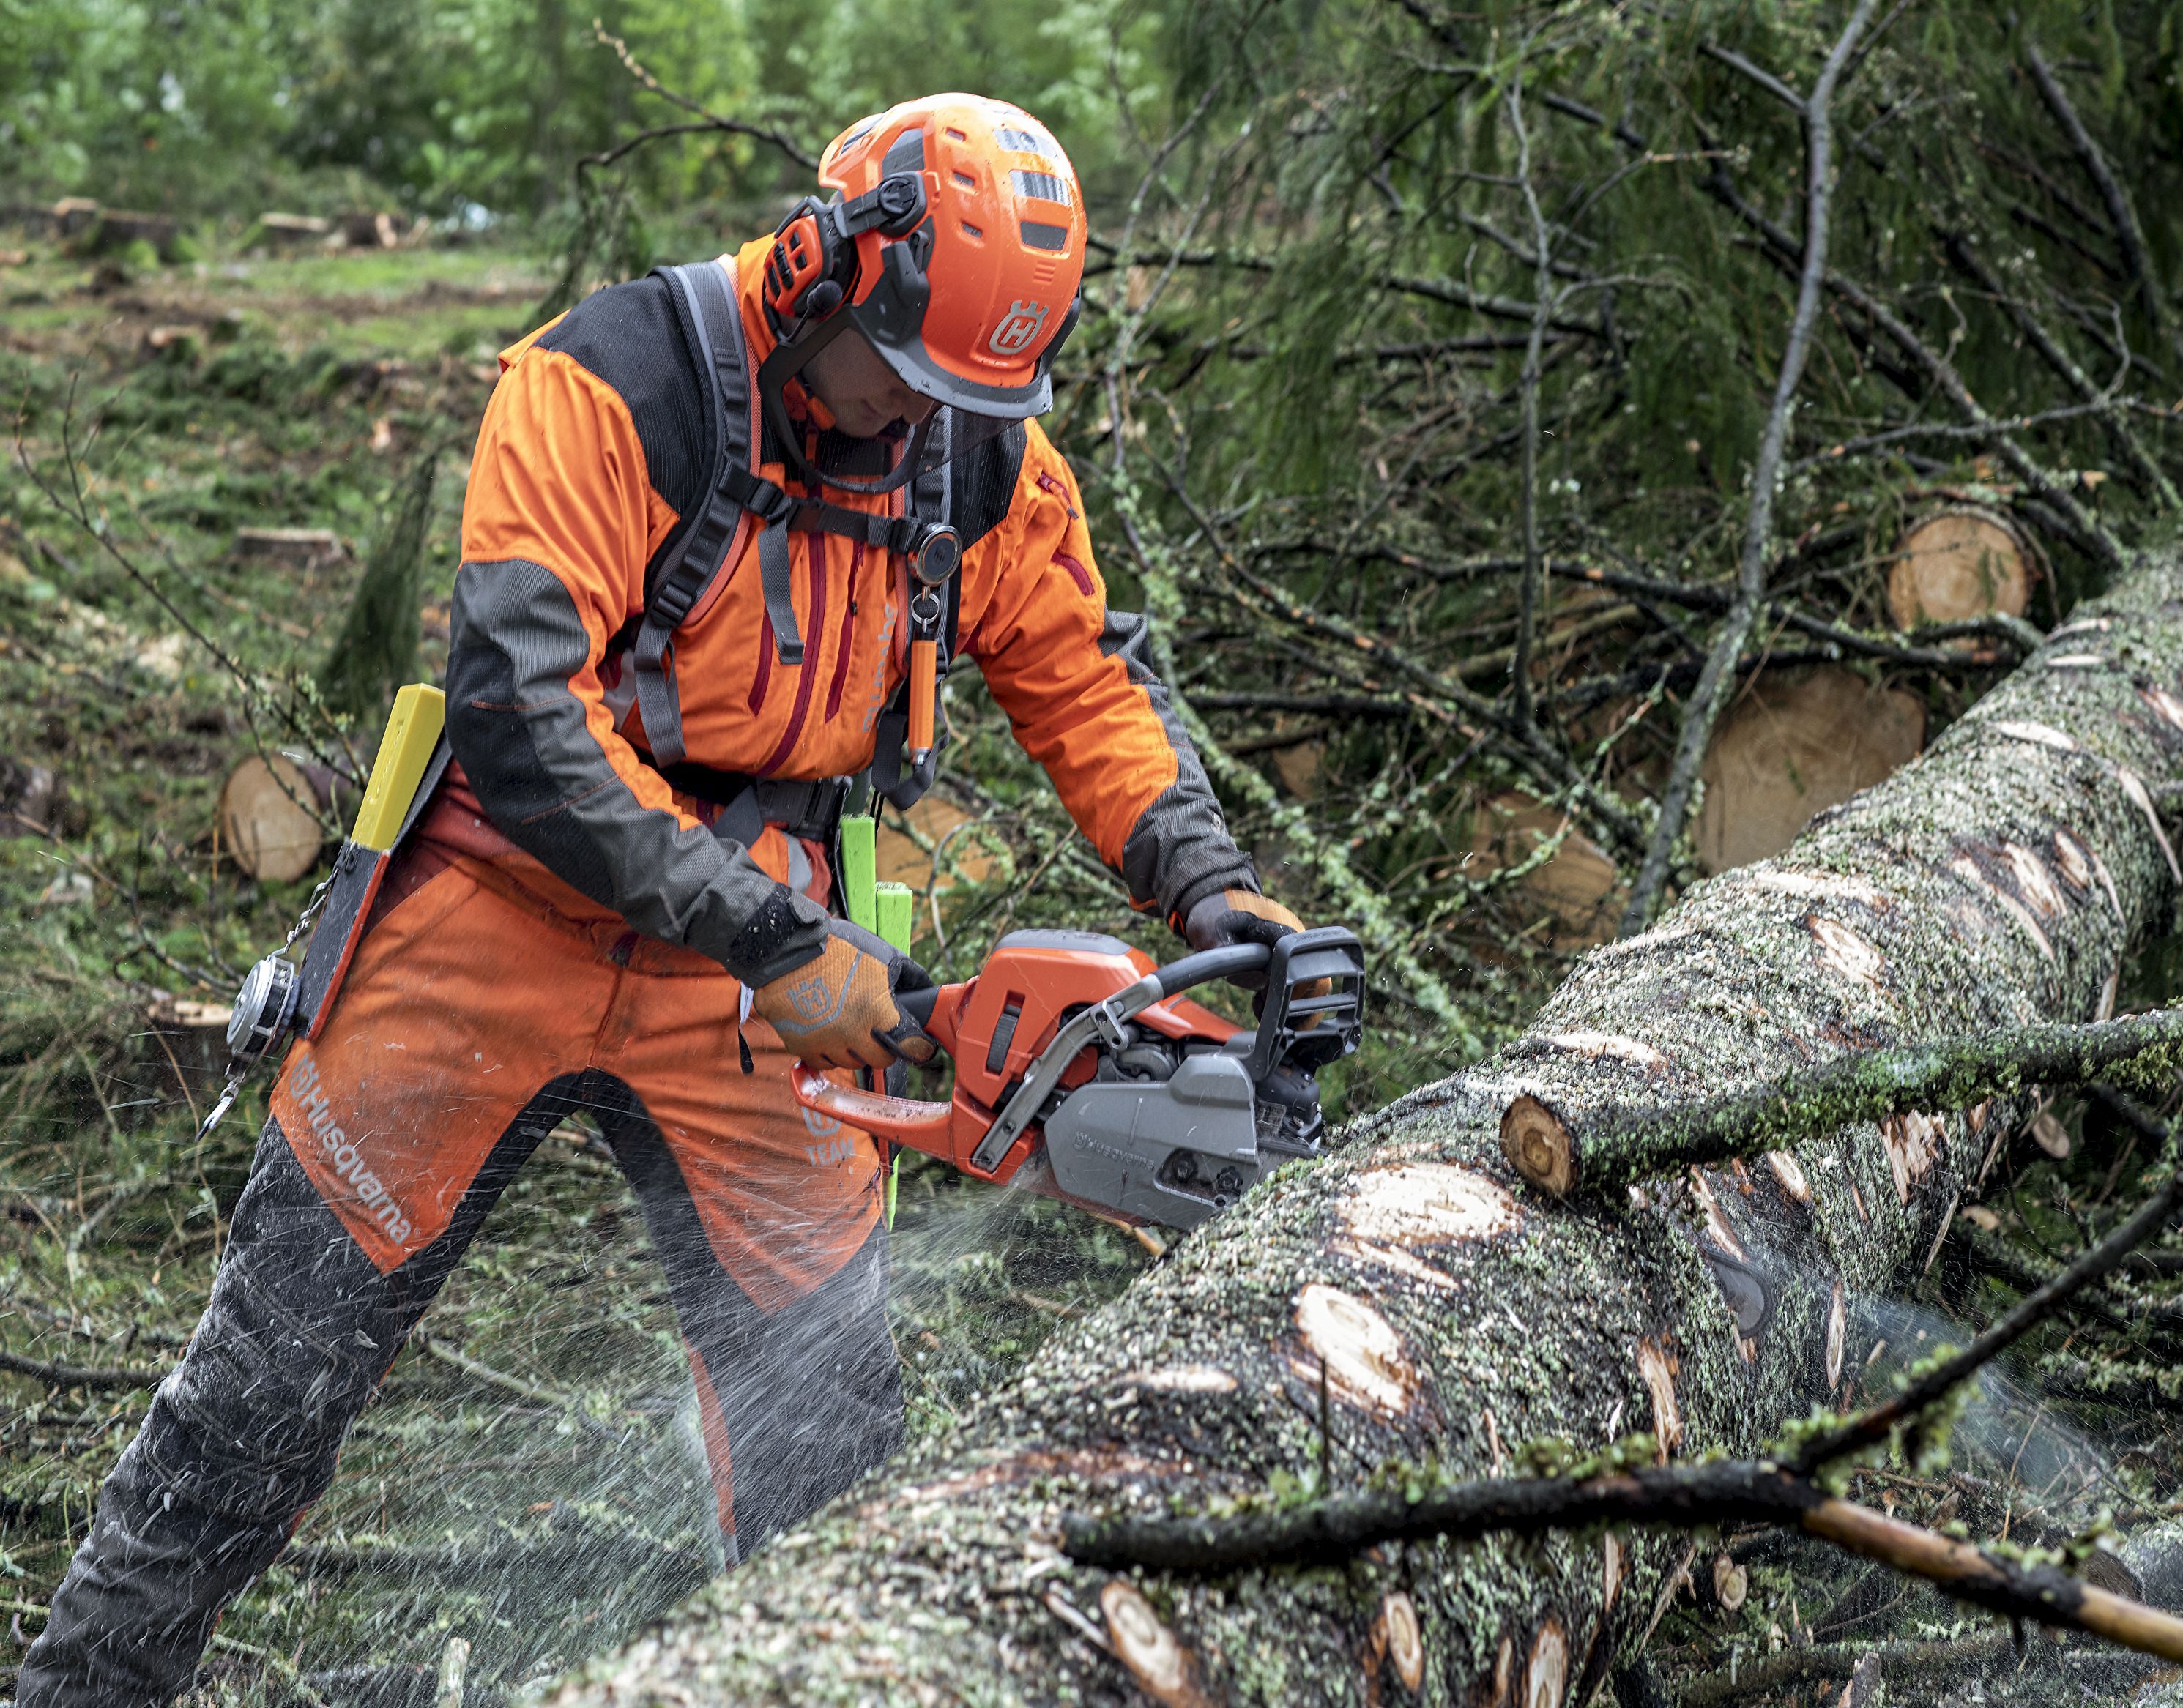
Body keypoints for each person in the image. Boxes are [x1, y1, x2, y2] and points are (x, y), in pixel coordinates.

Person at [19, 93, 1303, 1707]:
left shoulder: (973, 450)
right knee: (261, 1397)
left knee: (829, 1436)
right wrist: (778, 948)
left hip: (763, 939)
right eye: (898, 378)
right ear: (827, 273)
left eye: (955, 395)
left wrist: (1208, 882)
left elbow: (1078, 676)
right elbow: (521, 717)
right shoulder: (611, 380)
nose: (914, 422)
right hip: (496, 911)